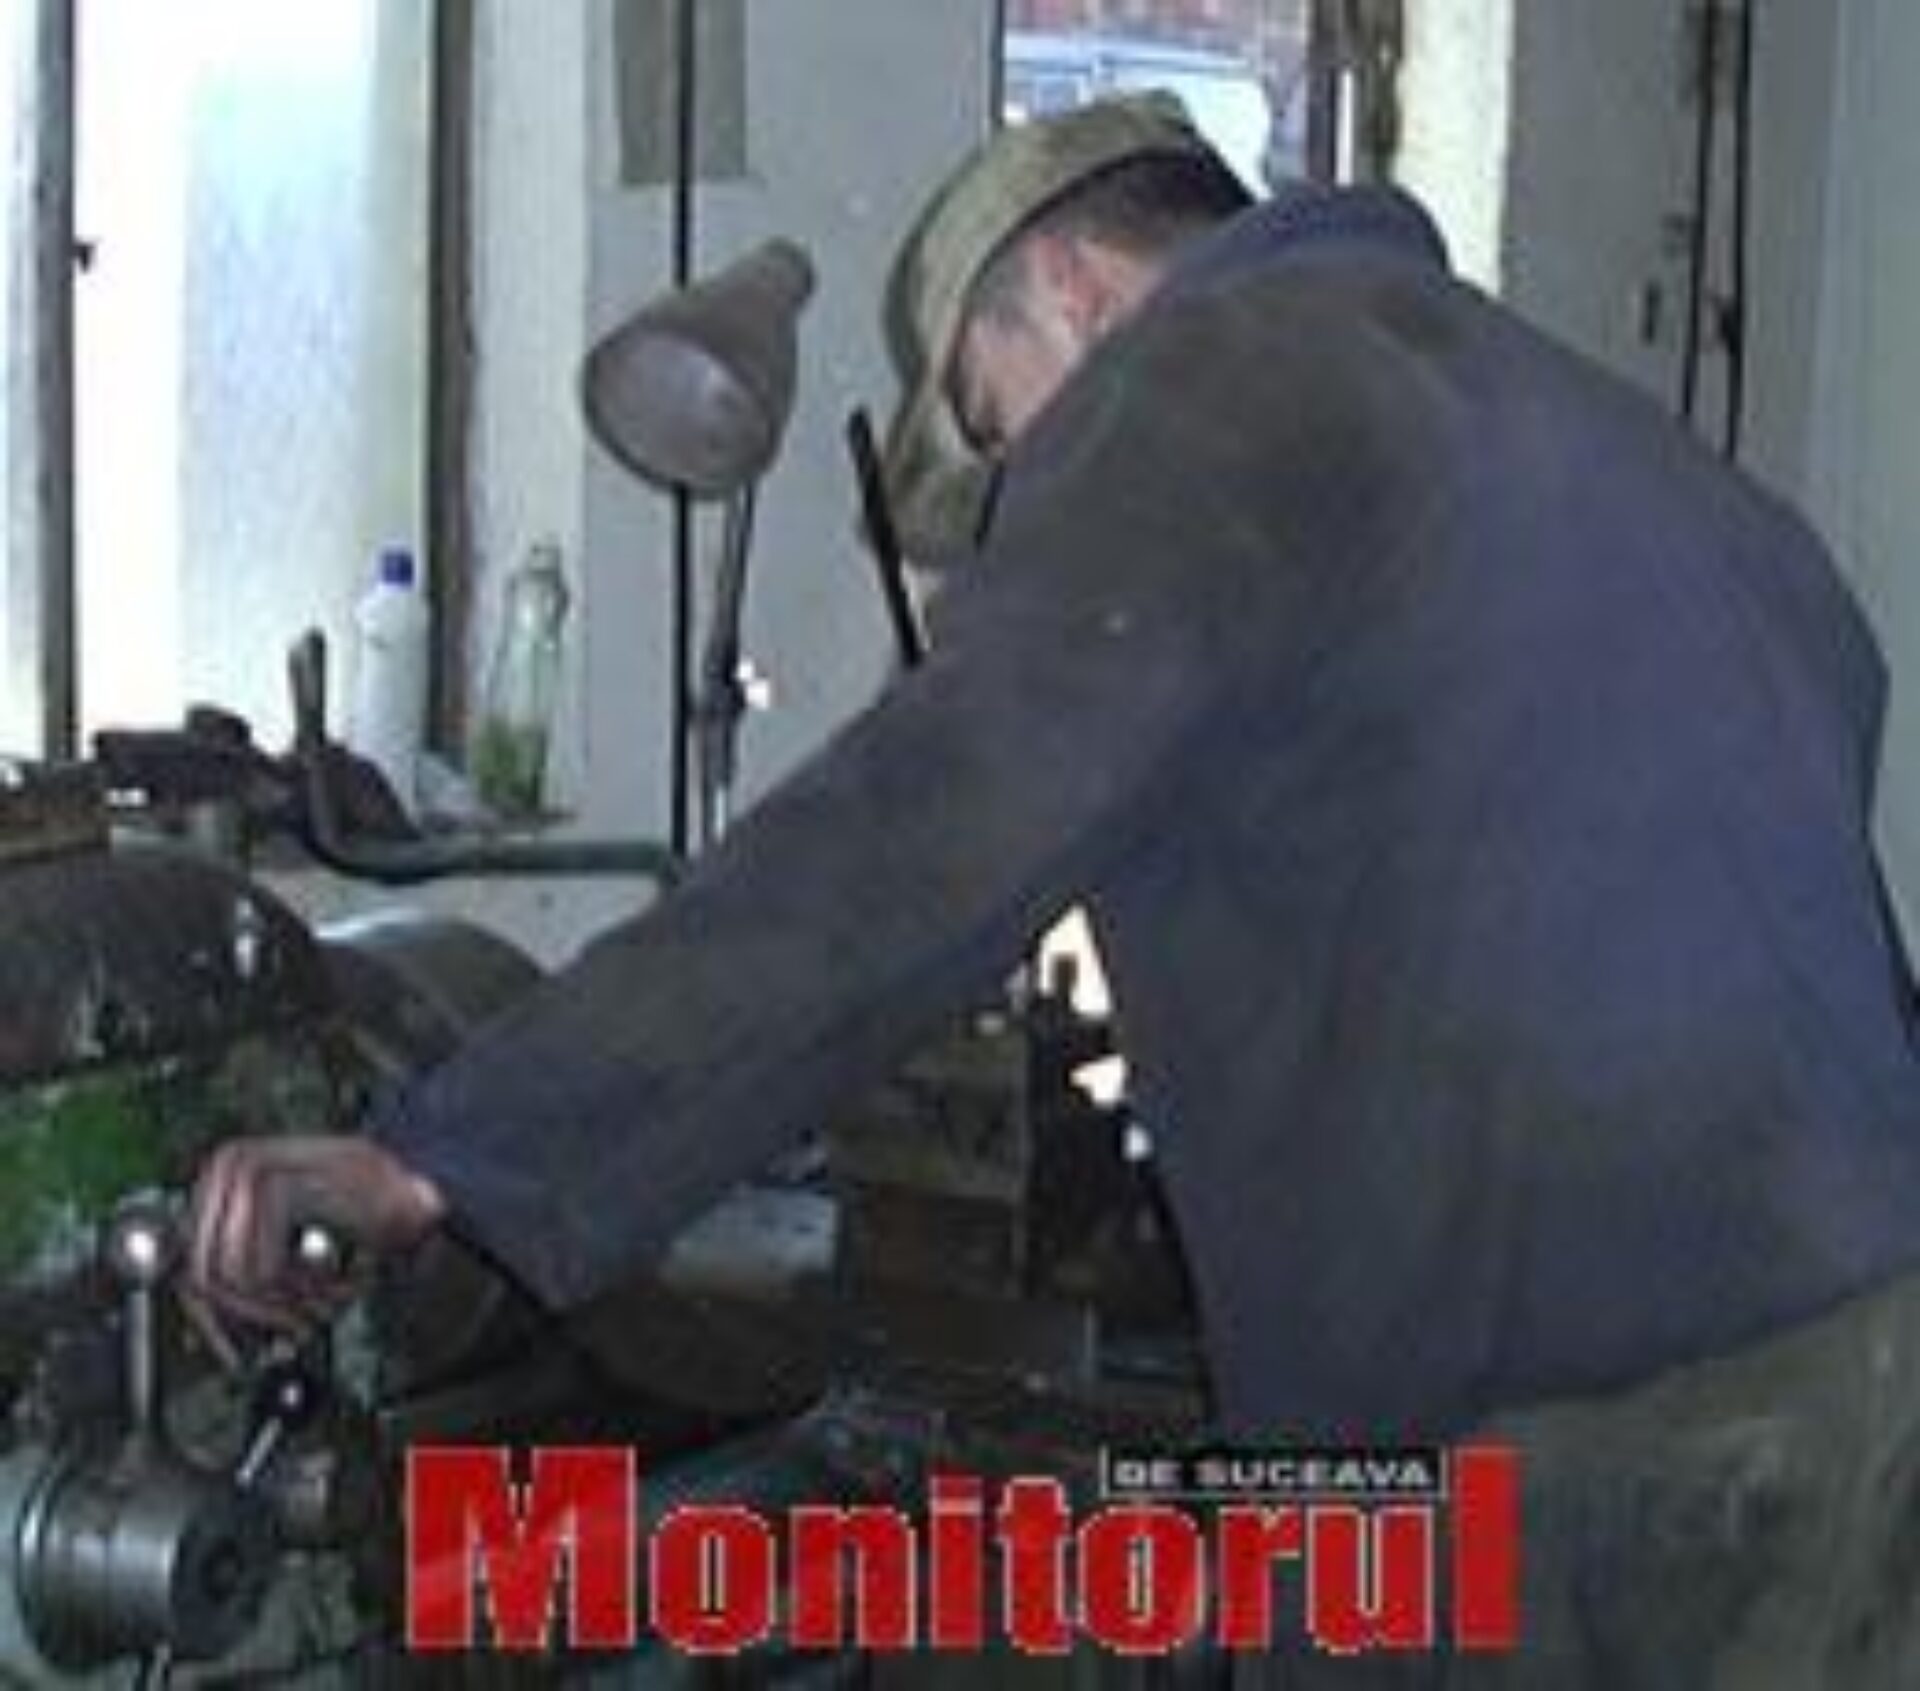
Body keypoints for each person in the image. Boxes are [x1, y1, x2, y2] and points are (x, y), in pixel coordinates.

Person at [190, 95, 1920, 1679]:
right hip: (1865, 1379)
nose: (1029, 482)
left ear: (1078, 291)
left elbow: (915, 837)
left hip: (1558, 1463)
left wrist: (450, 1153)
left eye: (999, 421)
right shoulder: (1586, 436)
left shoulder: (1214, 380)